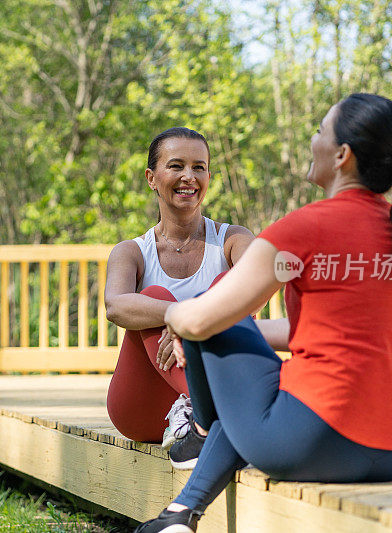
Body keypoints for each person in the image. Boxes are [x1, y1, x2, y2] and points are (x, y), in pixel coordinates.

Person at [134, 93, 392, 532]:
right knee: (228, 336)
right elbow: (319, 330)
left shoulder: (305, 227)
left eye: (319, 130)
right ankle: (180, 516)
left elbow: (203, 320)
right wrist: (209, 322)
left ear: (342, 155)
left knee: (213, 315)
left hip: (305, 442)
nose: (311, 139)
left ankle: (199, 433)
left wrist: (180, 320)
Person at [104, 127, 254, 449]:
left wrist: (193, 322)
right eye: (176, 166)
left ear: (209, 177)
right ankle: (206, 410)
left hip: (218, 392)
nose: (189, 176)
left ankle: (199, 416)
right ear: (151, 177)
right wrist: (178, 314)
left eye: (199, 167)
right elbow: (115, 306)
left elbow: (257, 289)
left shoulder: (233, 240)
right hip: (145, 408)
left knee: (227, 284)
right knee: (154, 298)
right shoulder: (132, 251)